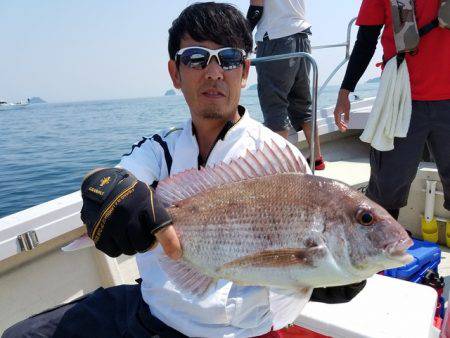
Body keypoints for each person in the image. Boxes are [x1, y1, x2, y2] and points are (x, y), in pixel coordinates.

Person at [3, 3, 364, 338]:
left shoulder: (279, 157)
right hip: (150, 313)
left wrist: (333, 273)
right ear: (175, 73)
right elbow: (122, 179)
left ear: (245, 72)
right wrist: (107, 190)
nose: (213, 72)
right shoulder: (158, 149)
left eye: (227, 58)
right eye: (195, 58)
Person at [333, 0, 450, 220]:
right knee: (386, 190)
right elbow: (366, 41)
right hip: (401, 97)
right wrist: (345, 92)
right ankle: (383, 250)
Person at [247, 0, 325, 170]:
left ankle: (278, 169)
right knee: (303, 103)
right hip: (302, 37)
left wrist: (242, 37)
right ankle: (316, 158)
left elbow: (256, 8)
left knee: (274, 104)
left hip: (275, 38)